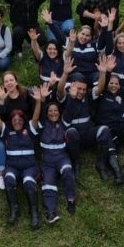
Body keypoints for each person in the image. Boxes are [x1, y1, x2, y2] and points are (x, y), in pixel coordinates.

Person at [57, 56, 124, 189]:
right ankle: (76, 163)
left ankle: (101, 163)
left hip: (87, 134)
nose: (81, 91)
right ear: (72, 87)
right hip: (72, 137)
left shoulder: (87, 95)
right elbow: (59, 90)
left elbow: (99, 89)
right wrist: (65, 73)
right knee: (71, 132)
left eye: (83, 89)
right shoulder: (66, 96)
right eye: (78, 88)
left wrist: (103, 73)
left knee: (104, 130)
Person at [0, 87, 42, 229]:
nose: (17, 122)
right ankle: (14, 210)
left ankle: (34, 212)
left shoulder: (30, 129)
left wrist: (38, 101)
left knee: (29, 183)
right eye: (14, 120)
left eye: (19, 120)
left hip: (29, 167)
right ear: (11, 121)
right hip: (13, 167)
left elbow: (35, 117)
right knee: (9, 179)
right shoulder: (7, 131)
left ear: (23, 120)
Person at [31, 86, 75, 223]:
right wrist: (41, 101)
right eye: (50, 111)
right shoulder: (42, 124)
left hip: (62, 158)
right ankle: (51, 212)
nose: (53, 113)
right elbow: (37, 116)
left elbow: (69, 111)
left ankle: (71, 200)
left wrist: (72, 98)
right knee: (48, 184)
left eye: (55, 111)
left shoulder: (63, 123)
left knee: (67, 170)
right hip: (47, 162)